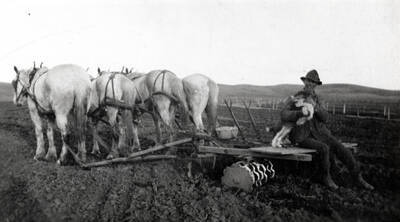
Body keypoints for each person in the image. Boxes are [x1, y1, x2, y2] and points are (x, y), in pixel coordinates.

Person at [281, 69, 374, 190]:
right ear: (305, 82)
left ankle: (358, 178)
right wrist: (299, 113)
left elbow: (325, 118)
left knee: (342, 149)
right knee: (324, 149)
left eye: (313, 82)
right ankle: (325, 177)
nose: (310, 84)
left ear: (316, 85)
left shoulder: (318, 99)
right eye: (309, 81)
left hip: (320, 133)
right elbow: (284, 114)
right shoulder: (296, 97)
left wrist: (315, 106)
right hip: (302, 136)